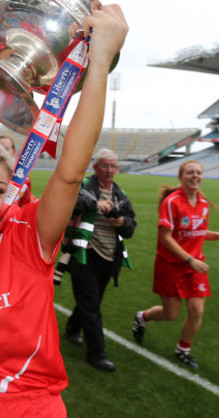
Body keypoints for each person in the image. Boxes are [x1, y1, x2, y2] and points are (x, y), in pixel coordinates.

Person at [0, 7, 128, 416]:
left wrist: (100, 60)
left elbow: (70, 174)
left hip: (27, 406)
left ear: (13, 189)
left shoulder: (27, 233)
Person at [132, 161, 219, 369]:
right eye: (190, 172)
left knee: (197, 311)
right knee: (170, 314)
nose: (195, 176)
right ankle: (142, 318)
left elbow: (196, 231)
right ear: (181, 177)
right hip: (171, 265)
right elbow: (166, 238)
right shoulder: (171, 202)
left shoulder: (204, 203)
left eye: (199, 172)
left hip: (195, 266)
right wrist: (190, 259)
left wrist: (218, 236)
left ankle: (183, 349)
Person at [60, 148, 136, 372]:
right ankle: (95, 354)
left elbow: (131, 227)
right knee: (91, 305)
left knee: (91, 302)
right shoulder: (83, 187)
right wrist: (95, 205)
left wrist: (122, 223)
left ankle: (73, 329)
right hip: (84, 254)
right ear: (95, 168)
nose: (109, 170)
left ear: (118, 169)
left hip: (109, 257)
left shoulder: (120, 195)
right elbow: (68, 208)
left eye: (113, 166)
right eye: (104, 165)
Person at [0, 134, 36, 206]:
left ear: (13, 152)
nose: (1, 152)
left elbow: (26, 206)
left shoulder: (23, 178)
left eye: (6, 149)